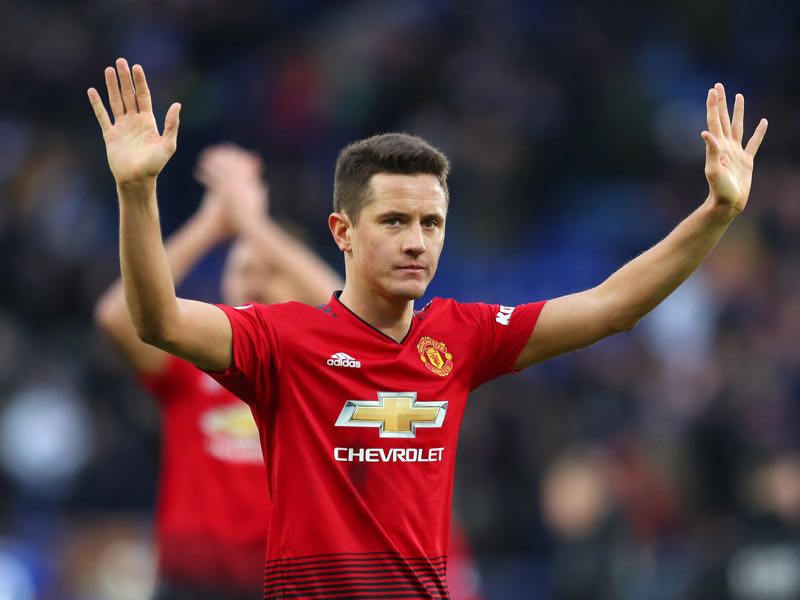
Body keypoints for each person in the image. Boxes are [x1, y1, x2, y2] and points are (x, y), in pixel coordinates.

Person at [87, 57, 767, 599]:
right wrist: (137, 191)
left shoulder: (463, 336)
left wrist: (716, 213)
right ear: (343, 233)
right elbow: (155, 318)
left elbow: (612, 306)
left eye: (431, 223)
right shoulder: (282, 341)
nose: (417, 242)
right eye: (394, 221)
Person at [94, 143, 342, 599]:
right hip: (191, 583)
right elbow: (119, 318)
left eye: (269, 270)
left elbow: (359, 319)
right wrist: (211, 225)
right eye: (243, 269)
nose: (254, 280)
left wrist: (254, 223)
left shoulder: (322, 372)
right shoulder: (198, 364)